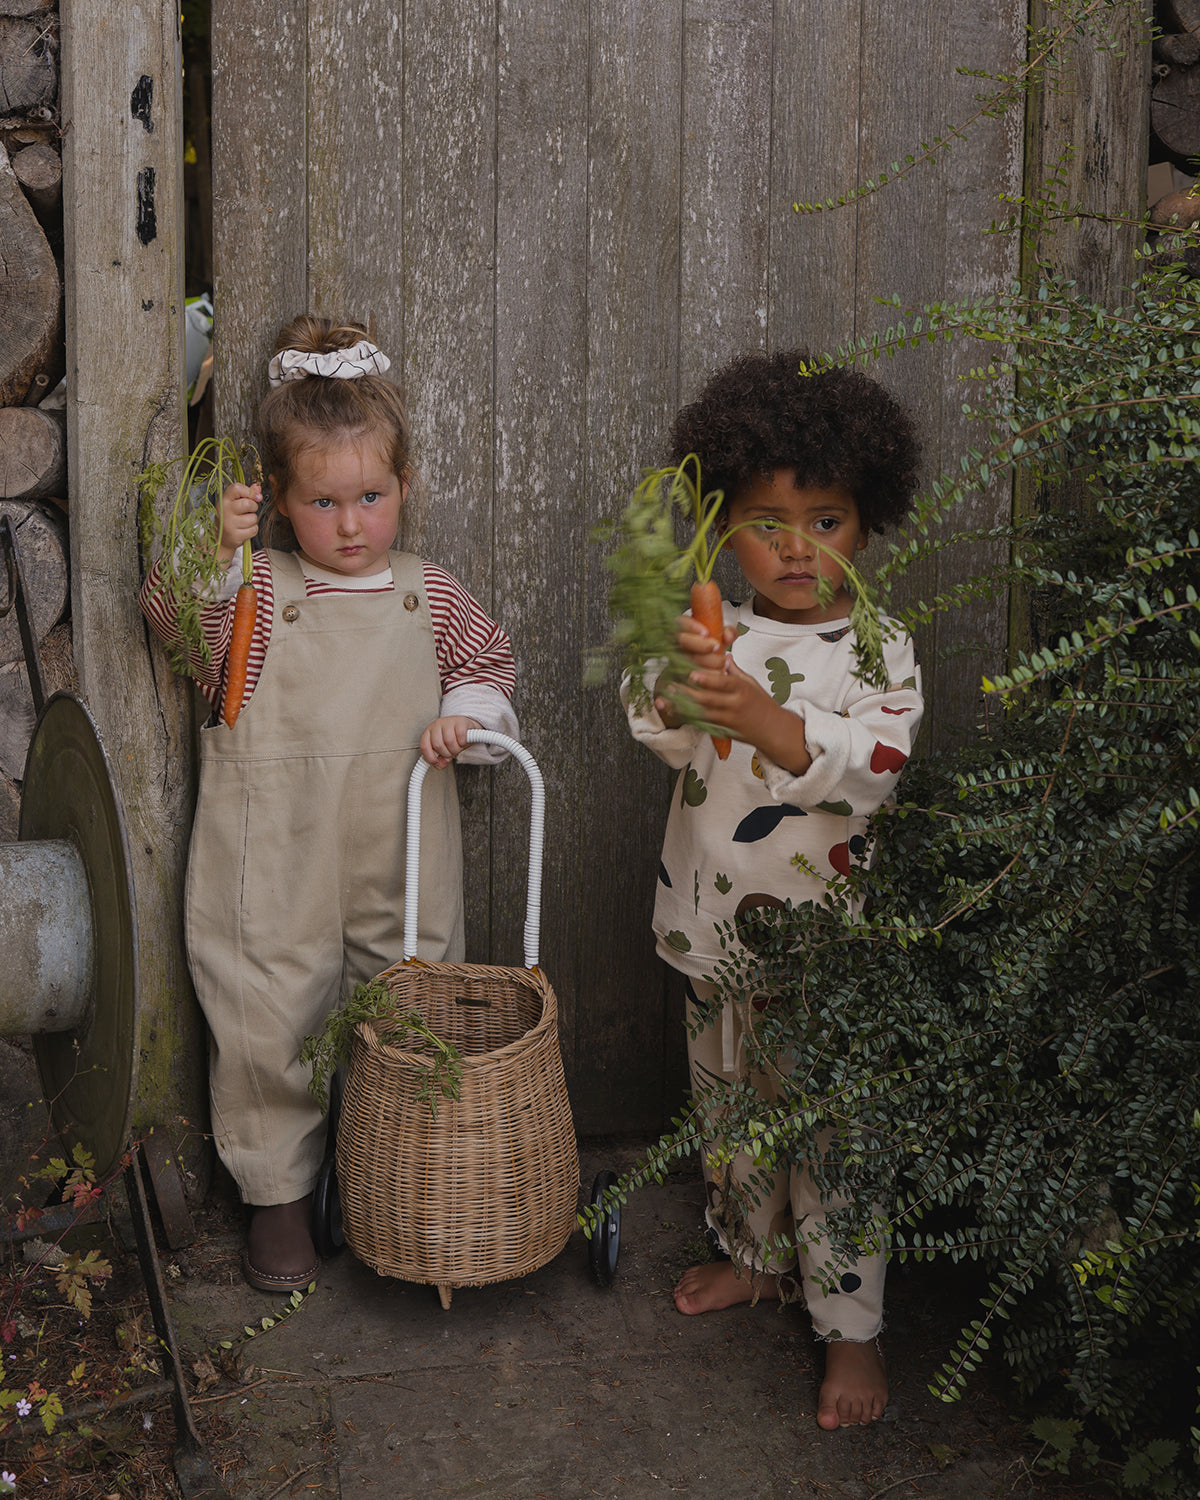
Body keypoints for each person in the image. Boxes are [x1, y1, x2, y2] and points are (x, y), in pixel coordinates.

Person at [141, 315, 518, 1293]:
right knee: (270, 1002)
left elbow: (486, 664)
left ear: (403, 489)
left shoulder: (425, 595)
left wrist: (465, 720)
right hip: (276, 842)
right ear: (275, 501)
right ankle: (276, 1199)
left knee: (409, 994)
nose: (351, 525)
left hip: (401, 837)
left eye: (371, 497)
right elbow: (189, 643)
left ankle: (386, 1178)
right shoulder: (261, 588)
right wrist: (209, 555)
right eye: (323, 501)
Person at [622, 349, 923, 1430]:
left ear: (869, 520)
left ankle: (852, 1325)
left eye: (827, 521)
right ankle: (755, 1256)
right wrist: (676, 681)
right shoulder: (713, 629)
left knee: (836, 1127)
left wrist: (766, 719)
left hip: (827, 947)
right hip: (710, 923)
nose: (797, 550)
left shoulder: (879, 647)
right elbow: (652, 727)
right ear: (721, 528)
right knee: (732, 1108)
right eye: (765, 523)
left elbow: (877, 771)